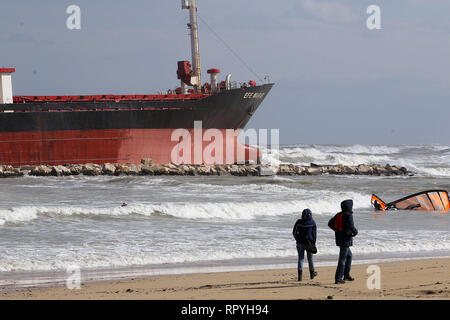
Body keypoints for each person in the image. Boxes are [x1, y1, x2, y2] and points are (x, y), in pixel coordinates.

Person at [328, 199, 358, 284]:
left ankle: (346, 275)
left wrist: (336, 230)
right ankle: (338, 278)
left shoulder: (339, 214)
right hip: (345, 240)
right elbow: (351, 226)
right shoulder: (348, 215)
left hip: (339, 239)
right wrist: (355, 232)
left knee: (349, 256)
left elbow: (330, 223)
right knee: (342, 259)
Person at [292, 208, 318, 281]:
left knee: (301, 259)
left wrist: (297, 239)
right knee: (310, 259)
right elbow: (314, 235)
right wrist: (313, 243)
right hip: (309, 243)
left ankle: (300, 276)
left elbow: (294, 232)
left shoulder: (299, 222)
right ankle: (312, 274)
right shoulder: (312, 222)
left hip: (300, 243)